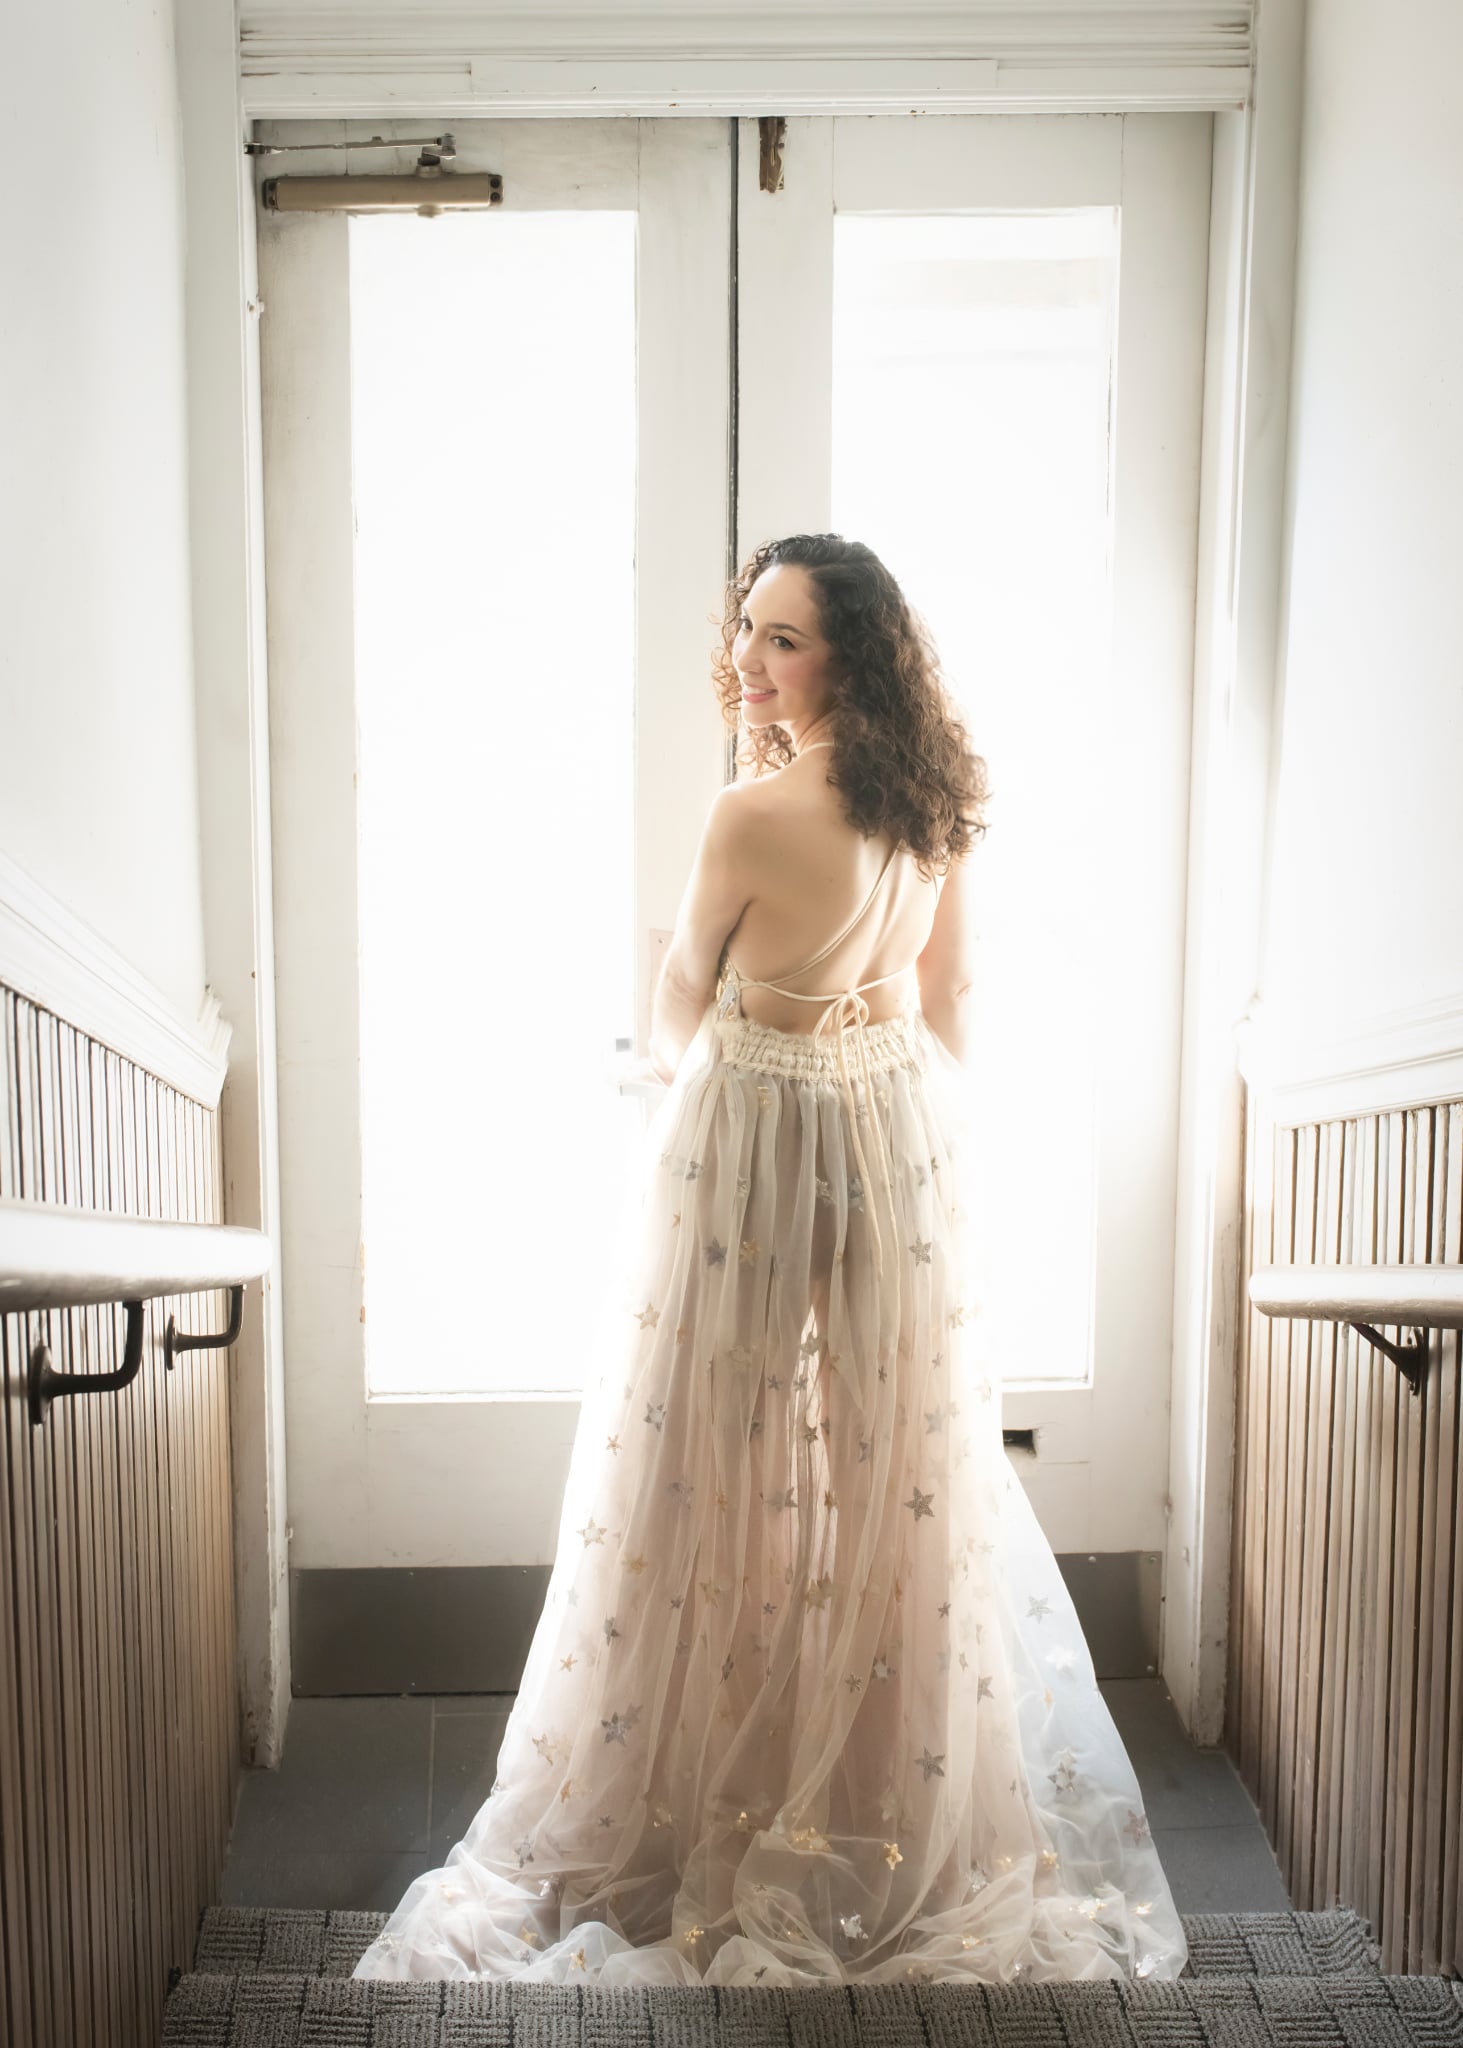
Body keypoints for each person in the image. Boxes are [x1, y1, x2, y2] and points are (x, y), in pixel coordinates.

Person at [351, 534, 1189, 1986]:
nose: (749, 657)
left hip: (753, 1136)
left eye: (783, 638)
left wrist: (729, 1081)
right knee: (888, 1472)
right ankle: (874, 1799)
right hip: (893, 1137)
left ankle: (698, 1799)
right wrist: (910, 1148)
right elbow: (951, 1006)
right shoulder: (937, 807)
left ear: (848, 655)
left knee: (710, 1461)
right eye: (745, 627)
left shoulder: (750, 814)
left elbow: (683, 1004)